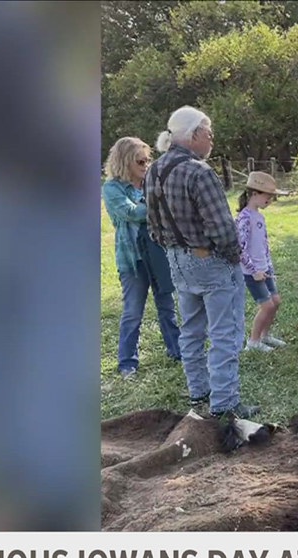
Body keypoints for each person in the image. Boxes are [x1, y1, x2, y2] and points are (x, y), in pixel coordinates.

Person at [146, 106, 259, 420]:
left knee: (192, 329)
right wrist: (234, 259)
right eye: (209, 134)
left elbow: (153, 226)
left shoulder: (154, 170)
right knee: (226, 332)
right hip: (209, 260)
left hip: (177, 260)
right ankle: (224, 402)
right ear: (194, 135)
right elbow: (222, 229)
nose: (212, 140)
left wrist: (177, 249)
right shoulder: (199, 171)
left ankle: (199, 390)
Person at [102, 136, 182, 377]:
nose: (146, 165)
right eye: (140, 160)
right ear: (125, 161)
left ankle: (177, 351)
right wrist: (159, 206)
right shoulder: (112, 189)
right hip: (133, 260)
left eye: (148, 160)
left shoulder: (151, 182)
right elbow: (132, 213)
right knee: (133, 311)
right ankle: (127, 362)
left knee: (167, 307)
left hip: (159, 255)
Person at [235, 171, 288, 352]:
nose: (270, 200)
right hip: (252, 272)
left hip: (265, 269)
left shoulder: (260, 217)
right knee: (266, 306)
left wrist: (269, 265)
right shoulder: (244, 218)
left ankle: (266, 335)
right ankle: (253, 341)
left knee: (276, 301)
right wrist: (254, 270)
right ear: (254, 194)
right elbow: (239, 248)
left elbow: (264, 245)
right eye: (268, 196)